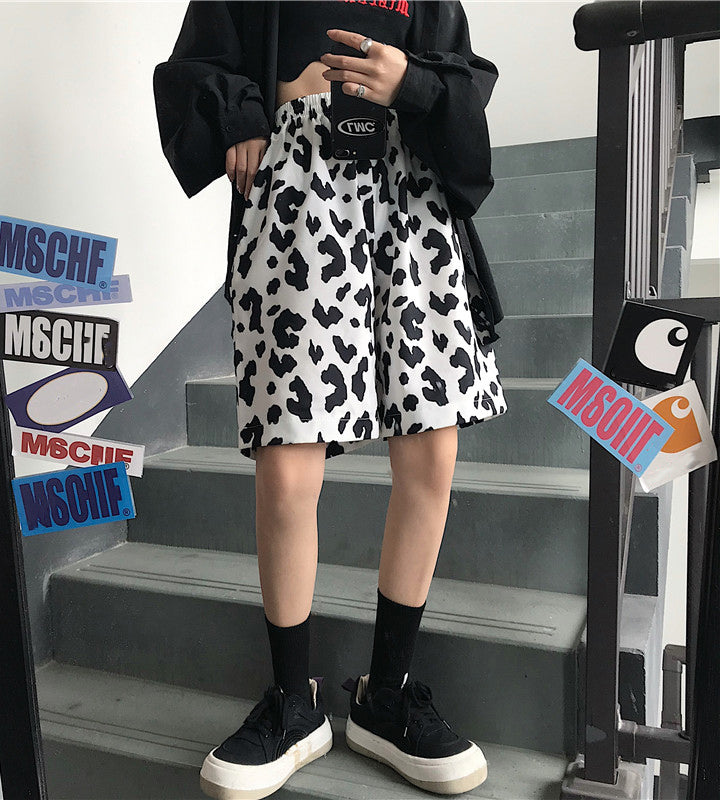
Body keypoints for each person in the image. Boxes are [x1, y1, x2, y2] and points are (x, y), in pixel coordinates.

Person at [153, 2, 508, 798]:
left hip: (413, 198)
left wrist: (409, 81)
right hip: (297, 190)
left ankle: (387, 694)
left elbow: (463, 82)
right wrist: (246, 112)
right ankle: (294, 701)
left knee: (432, 453)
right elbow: (195, 68)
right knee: (286, 464)